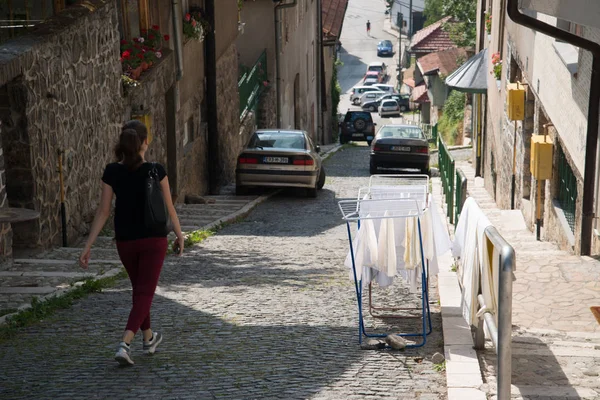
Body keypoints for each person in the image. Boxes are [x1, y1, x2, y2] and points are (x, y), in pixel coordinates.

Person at [79, 120, 185, 366]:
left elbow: (103, 212)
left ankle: (149, 339)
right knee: (145, 292)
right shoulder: (156, 170)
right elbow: (170, 207)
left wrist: (88, 246)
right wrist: (179, 234)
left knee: (140, 291)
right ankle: (124, 343)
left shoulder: (112, 172)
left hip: (125, 242)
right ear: (144, 142)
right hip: (154, 240)